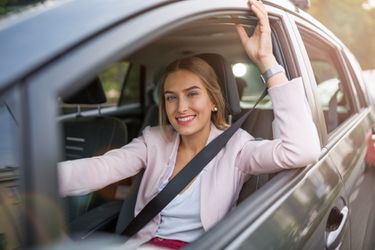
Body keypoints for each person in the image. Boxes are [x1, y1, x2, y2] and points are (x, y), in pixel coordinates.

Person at [58, 0, 321, 249]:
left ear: (214, 101)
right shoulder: (153, 140)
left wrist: (267, 62)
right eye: (171, 97)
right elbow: (100, 168)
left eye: (192, 94)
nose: (181, 107)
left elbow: (302, 150)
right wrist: (36, 179)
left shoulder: (238, 148)